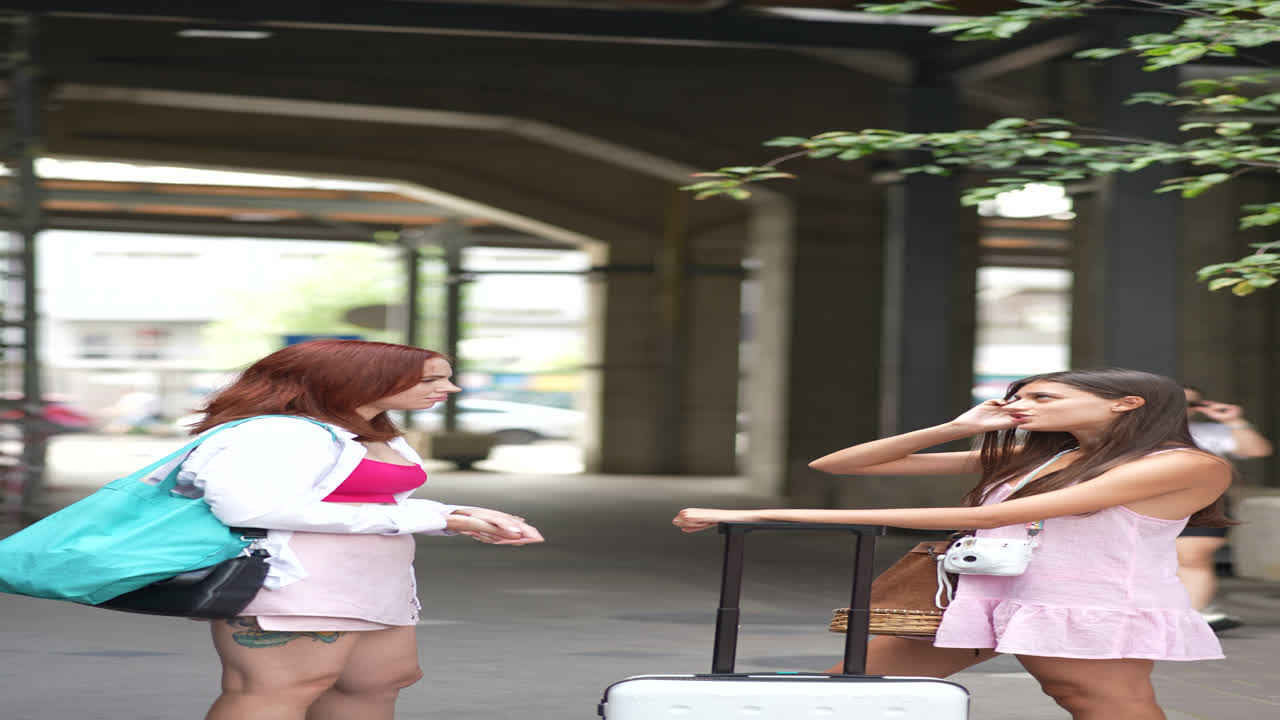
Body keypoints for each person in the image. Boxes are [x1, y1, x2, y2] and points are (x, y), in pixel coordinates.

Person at [674, 368, 1231, 720]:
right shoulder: (1050, 455)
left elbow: (1021, 513)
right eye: (1017, 397)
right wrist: (958, 426)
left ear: (1126, 403)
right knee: (853, 689)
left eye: (1041, 396)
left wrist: (760, 513)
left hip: (1086, 602)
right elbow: (838, 464)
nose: (1020, 406)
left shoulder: (1183, 463)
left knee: (1098, 704)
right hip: (982, 590)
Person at [153, 339, 545, 720]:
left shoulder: (369, 429)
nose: (449, 388)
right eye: (430, 380)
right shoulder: (276, 432)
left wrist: (453, 513)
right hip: (291, 581)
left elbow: (366, 500)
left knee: (376, 681)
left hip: (370, 581)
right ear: (357, 379)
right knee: (279, 689)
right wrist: (437, 519)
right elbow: (250, 508)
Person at [1178, 385, 1272, 632]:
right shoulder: (1131, 430)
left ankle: (1192, 612)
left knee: (1192, 557)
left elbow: (1257, 450)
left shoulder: (1211, 433)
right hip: (1139, 502)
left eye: (1189, 404)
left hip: (1203, 503)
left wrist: (1234, 420)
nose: (1180, 408)